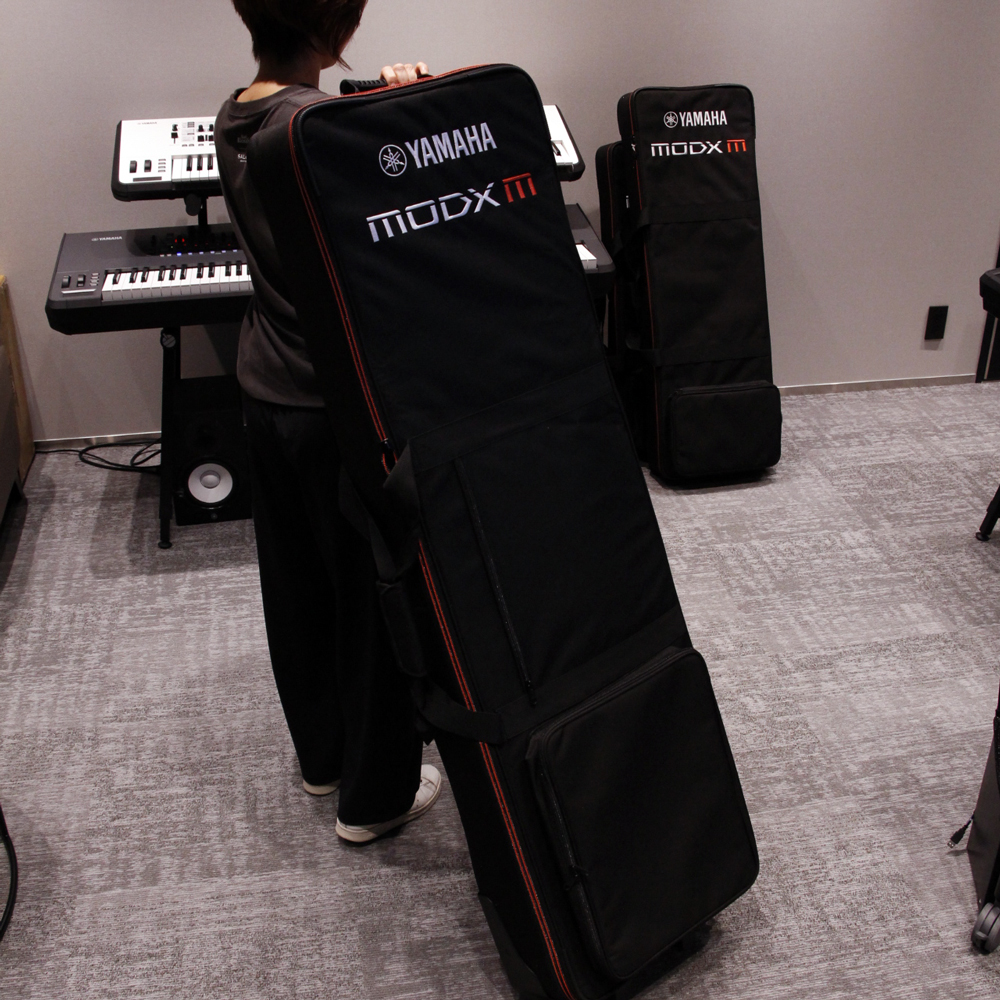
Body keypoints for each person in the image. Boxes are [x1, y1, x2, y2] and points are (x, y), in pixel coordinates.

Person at [214, 0, 440, 844]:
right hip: (335, 403)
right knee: (370, 598)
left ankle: (323, 757)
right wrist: (404, 111)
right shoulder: (320, 127)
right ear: (337, 31)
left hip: (265, 389)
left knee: (296, 585)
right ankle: (374, 798)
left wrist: (373, 109)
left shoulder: (237, 113)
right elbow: (392, 244)